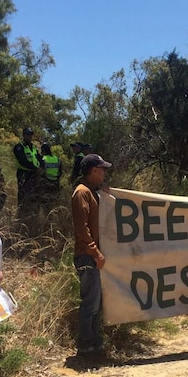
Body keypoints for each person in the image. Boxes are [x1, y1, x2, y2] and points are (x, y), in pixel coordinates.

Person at [71, 153, 111, 357]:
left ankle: (95, 344)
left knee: (96, 302)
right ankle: (86, 346)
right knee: (90, 302)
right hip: (87, 256)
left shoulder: (91, 192)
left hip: (92, 255)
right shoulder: (81, 193)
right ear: (93, 171)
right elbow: (81, 228)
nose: (104, 173)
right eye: (102, 169)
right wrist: (95, 252)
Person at [13, 127, 43, 210]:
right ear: (24, 135)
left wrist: (41, 167)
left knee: (34, 194)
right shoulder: (19, 147)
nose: (29, 136)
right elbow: (22, 161)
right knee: (23, 194)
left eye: (31, 134)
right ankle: (22, 212)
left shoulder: (33, 147)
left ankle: (33, 212)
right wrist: (35, 168)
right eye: (27, 134)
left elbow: (39, 158)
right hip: (24, 173)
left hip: (34, 174)